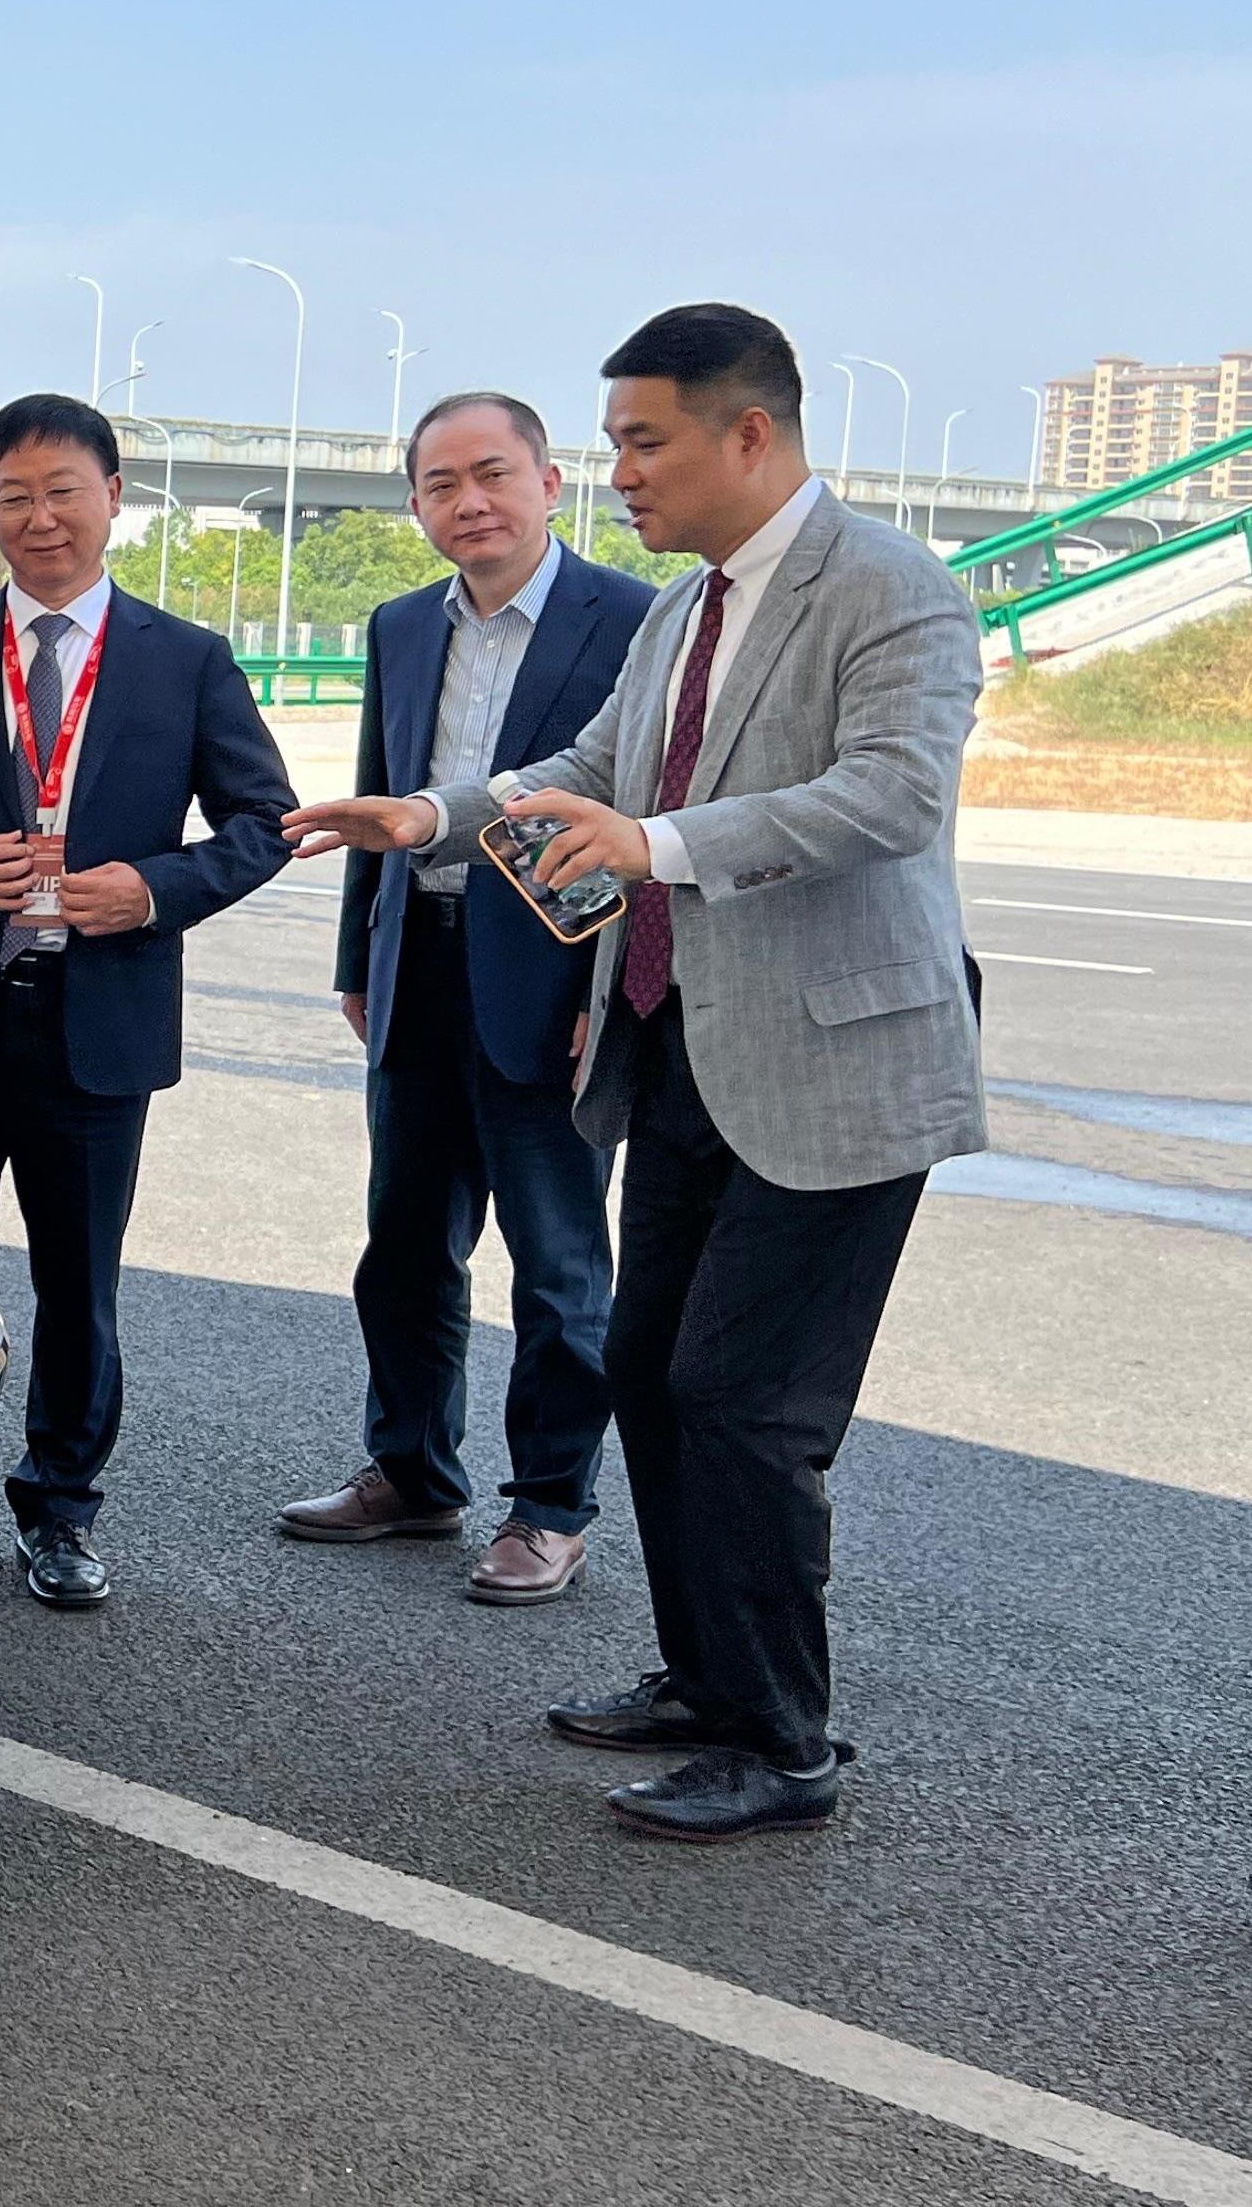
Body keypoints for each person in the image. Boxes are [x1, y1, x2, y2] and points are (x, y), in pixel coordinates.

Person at [285, 303, 983, 1841]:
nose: (620, 476)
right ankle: (701, 1676)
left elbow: (887, 793)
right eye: (611, 446)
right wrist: (431, 817)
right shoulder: (684, 611)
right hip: (682, 1054)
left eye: (641, 442)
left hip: (833, 1067)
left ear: (751, 432)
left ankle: (781, 1740)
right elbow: (585, 772)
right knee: (656, 1379)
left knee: (746, 1402)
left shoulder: (890, 586)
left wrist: (654, 850)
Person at [0, 392, 294, 1607]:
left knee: (80, 1285)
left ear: (114, 497)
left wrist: (148, 890)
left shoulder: (185, 658)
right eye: (12, 496)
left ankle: (59, 1509)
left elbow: (264, 824)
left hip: (96, 1026)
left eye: (62, 491)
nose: (39, 518)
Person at [286, 392, 657, 1604]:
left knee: (556, 1264)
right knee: (402, 1245)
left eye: (492, 474)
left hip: (553, 982)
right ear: (415, 505)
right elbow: (376, 798)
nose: (469, 502)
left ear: (553, 482)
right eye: (440, 484)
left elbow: (641, 821)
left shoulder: (633, 619)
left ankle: (549, 1504)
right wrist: (359, 955)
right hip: (417, 964)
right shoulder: (401, 625)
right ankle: (411, 1469)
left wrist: (613, 986)